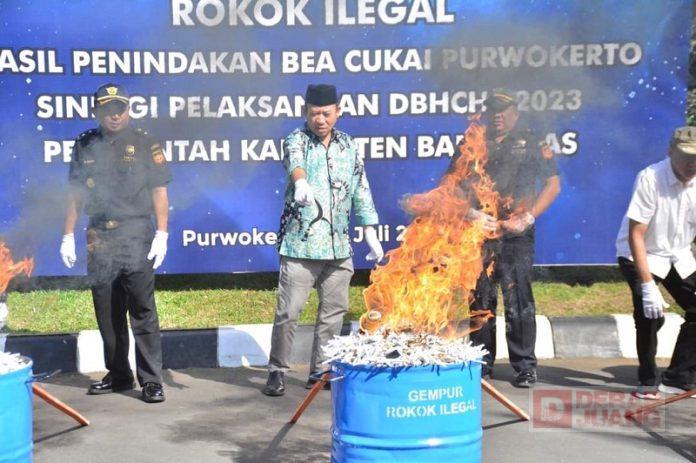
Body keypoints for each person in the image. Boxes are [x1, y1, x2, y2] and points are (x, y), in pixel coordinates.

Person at [262, 84, 384, 396]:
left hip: (338, 245)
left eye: (326, 113)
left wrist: (370, 229)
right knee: (288, 312)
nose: (320, 119)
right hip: (301, 244)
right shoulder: (296, 139)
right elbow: (295, 162)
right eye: (314, 113)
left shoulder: (348, 145)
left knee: (333, 313)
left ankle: (321, 370)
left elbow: (361, 187)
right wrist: (301, 183)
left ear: (338, 112)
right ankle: (277, 370)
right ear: (306, 112)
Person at [59, 83, 171, 403]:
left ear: (128, 110)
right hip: (99, 237)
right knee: (107, 311)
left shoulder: (145, 142)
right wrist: (67, 235)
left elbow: (159, 190)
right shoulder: (85, 144)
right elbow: (75, 193)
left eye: (120, 109)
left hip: (135, 233)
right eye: (107, 109)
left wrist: (162, 233)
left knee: (142, 309)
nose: (115, 115)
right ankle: (119, 374)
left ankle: (151, 380)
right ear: (97, 112)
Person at [462, 89, 561, 388]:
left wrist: (528, 217)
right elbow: (452, 187)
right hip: (481, 233)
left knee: (518, 299)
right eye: (492, 109)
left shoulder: (533, 142)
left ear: (515, 113)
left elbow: (553, 184)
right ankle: (481, 362)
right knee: (481, 298)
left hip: (517, 234)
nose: (497, 115)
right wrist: (470, 213)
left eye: (503, 110)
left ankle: (525, 366)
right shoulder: (472, 143)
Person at [616, 126, 696, 400]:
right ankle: (648, 379)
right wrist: (649, 287)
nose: (692, 165)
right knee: (648, 313)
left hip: (678, 254)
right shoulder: (650, 178)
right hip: (641, 253)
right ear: (670, 151)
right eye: (686, 157)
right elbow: (636, 235)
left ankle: (678, 378)